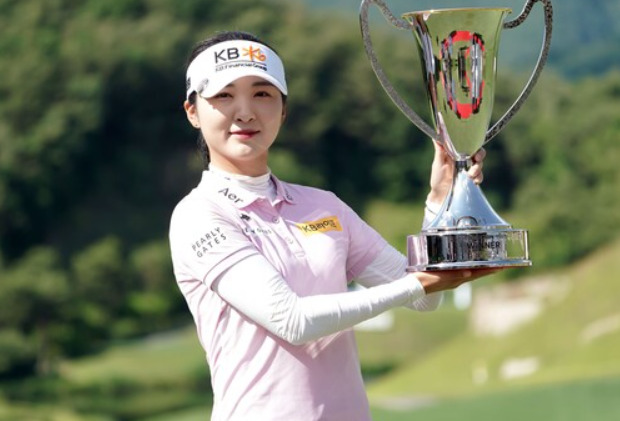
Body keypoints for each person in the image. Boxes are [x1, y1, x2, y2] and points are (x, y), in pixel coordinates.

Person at [169, 30, 495, 421]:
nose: (245, 112)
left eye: (262, 93)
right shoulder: (198, 215)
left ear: (283, 109)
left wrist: (439, 202)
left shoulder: (324, 206)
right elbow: (292, 321)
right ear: (192, 111)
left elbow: (424, 299)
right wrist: (420, 283)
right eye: (224, 95)